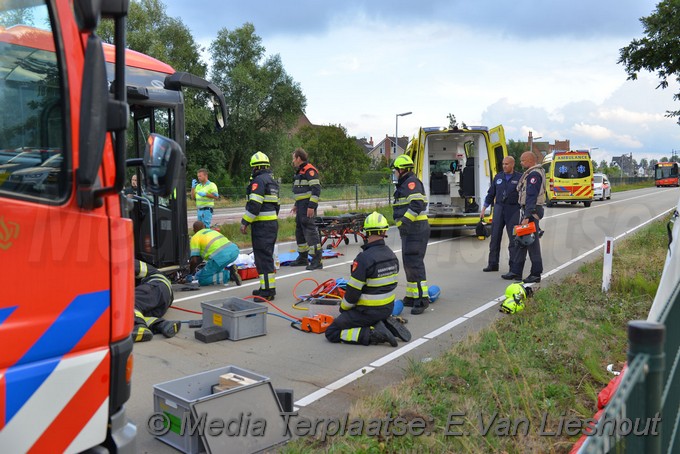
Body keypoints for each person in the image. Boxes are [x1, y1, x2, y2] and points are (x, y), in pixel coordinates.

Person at [325, 212, 411, 347]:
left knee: (332, 331)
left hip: (368, 312)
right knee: (366, 316)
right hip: (388, 308)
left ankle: (372, 334)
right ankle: (382, 322)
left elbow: (352, 294)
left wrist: (343, 309)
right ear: (384, 231)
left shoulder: (364, 259)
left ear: (366, 232)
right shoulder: (392, 256)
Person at [391, 154, 430, 315]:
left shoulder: (411, 183)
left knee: (415, 264)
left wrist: (405, 223)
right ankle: (411, 296)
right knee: (409, 263)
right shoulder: (405, 183)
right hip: (411, 230)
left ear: (402, 170)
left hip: (415, 229)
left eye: (395, 170)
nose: (394, 173)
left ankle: (421, 299)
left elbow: (417, 204)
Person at [240, 152, 280, 301]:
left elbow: (254, 205)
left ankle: (268, 291)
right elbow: (277, 206)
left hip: (262, 226)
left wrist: (245, 222)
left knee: (263, 259)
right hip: (271, 224)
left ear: (255, 168)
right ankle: (265, 287)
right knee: (265, 257)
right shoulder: (272, 182)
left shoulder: (258, 182)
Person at [502, 151, 546, 284]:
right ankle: (516, 271)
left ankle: (536, 273)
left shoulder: (534, 175)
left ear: (530, 160)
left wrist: (527, 216)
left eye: (522, 161)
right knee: (521, 241)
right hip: (527, 211)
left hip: (531, 212)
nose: (520, 163)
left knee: (531, 244)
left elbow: (531, 196)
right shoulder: (532, 173)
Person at [480, 156, 522, 273]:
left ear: (512, 164)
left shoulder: (519, 177)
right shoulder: (498, 177)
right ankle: (493, 264)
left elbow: (524, 195)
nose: (504, 166)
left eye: (507, 164)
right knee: (495, 237)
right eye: (503, 164)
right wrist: (484, 208)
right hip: (499, 208)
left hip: (513, 210)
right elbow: (491, 193)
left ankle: (513, 267)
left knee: (513, 240)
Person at [289, 147, 323, 270]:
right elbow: (301, 191)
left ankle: (316, 260)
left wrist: (311, 206)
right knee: (300, 231)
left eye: (294, 158)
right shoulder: (300, 171)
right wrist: (295, 204)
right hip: (301, 206)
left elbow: (316, 189)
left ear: (298, 158)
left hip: (307, 206)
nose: (293, 161)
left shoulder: (309, 170)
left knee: (310, 232)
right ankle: (303, 258)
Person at [132, 259, 181, 342]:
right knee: (137, 313)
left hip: (157, 285)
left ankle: (139, 327)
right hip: (162, 297)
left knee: (128, 304)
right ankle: (162, 324)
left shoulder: (125, 262)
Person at [188, 221, 241, 286]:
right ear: (204, 226)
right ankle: (231, 271)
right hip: (234, 251)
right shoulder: (212, 231)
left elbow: (194, 260)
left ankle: (229, 275)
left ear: (194, 230)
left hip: (219, 257)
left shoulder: (195, 237)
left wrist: (190, 273)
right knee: (200, 274)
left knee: (202, 280)